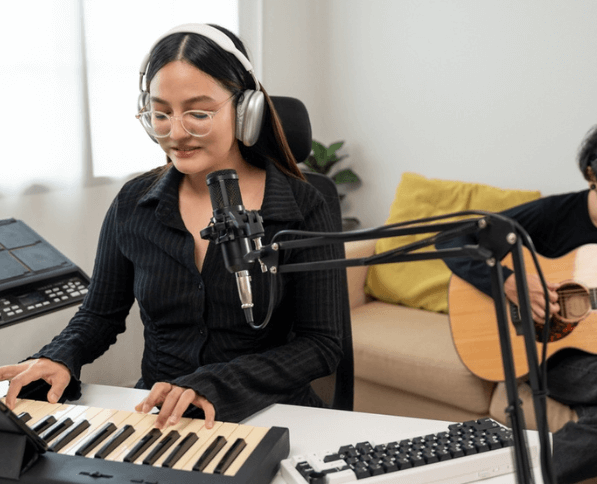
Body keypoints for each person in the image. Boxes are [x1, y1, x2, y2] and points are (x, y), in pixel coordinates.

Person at [0, 23, 345, 429]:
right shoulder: (134, 204)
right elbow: (100, 314)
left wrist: (216, 384)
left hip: (271, 415)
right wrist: (59, 356)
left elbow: (322, 344)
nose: (176, 134)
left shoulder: (302, 207)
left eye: (198, 113)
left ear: (245, 109)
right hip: (163, 418)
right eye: (161, 114)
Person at [438, 117, 597, 483]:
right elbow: (451, 240)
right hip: (538, 350)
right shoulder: (552, 215)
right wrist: (508, 281)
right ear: (593, 177)